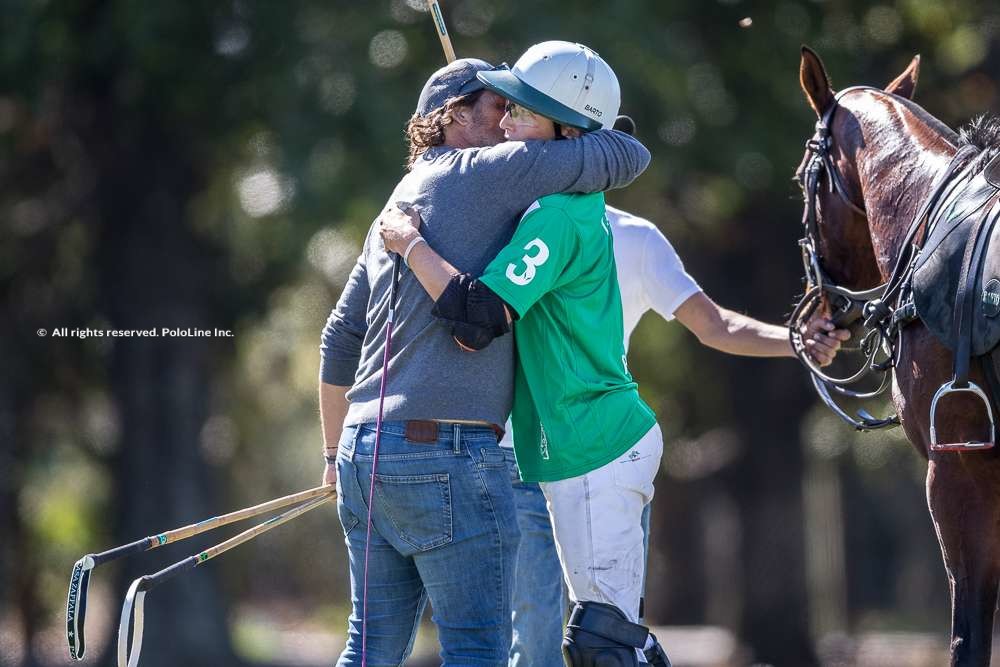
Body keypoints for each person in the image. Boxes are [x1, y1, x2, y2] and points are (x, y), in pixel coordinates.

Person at [378, 41, 847, 667]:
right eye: (505, 109)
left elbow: (479, 319)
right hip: (541, 453)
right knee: (562, 639)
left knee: (599, 641)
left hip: (591, 443)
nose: (505, 124)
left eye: (522, 111)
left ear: (573, 134)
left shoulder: (567, 222)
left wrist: (410, 242)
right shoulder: (530, 217)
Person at [319, 54, 651, 667]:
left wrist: (332, 455)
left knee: (368, 648)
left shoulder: (397, 199)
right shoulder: (492, 170)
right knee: (478, 649)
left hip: (363, 451)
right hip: (449, 453)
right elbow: (624, 156)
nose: (506, 121)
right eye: (498, 107)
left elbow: (339, 337)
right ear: (453, 117)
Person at [502, 116, 850, 667]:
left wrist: (797, 341)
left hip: (598, 455)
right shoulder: (509, 230)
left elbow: (715, 325)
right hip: (515, 461)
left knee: (603, 638)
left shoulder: (636, 238)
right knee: (537, 641)